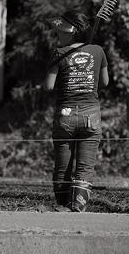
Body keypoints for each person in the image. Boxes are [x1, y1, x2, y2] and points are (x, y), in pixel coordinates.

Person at [44, 11, 109, 212]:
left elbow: (48, 86)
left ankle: (62, 206)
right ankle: (78, 207)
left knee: (63, 166)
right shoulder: (98, 51)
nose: (57, 33)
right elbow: (105, 82)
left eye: (60, 29)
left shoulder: (59, 53)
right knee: (85, 166)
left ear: (70, 31)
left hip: (66, 115)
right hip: (91, 115)